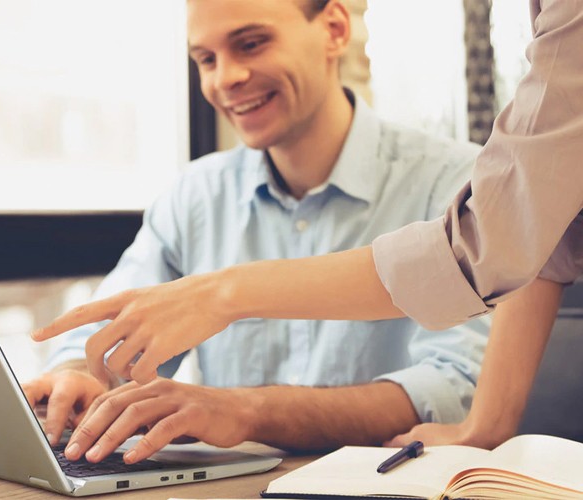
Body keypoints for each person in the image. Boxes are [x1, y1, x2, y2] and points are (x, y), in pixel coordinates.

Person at [33, 0, 583, 449]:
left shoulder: (456, 182)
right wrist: (79, 378)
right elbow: (105, 345)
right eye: (204, 59)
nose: (226, 78)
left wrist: (243, 391)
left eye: (251, 43)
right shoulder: (193, 196)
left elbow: (462, 351)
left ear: (336, 29)